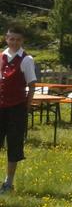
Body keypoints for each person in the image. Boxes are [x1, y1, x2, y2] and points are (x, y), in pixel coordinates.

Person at [1, 23, 36, 194]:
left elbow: (32, 85)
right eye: (11, 39)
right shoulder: (0, 57)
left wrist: (26, 107)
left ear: (22, 41)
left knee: (14, 145)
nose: (14, 42)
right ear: (6, 38)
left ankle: (8, 182)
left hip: (16, 108)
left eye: (18, 40)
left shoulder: (26, 60)